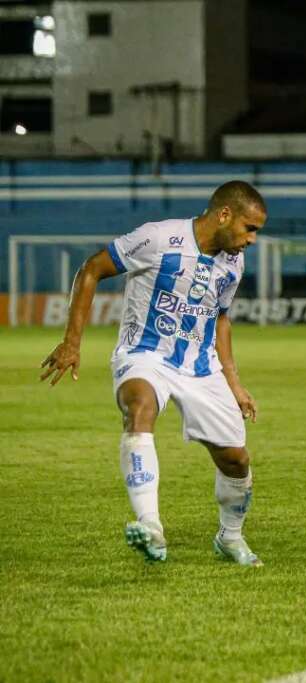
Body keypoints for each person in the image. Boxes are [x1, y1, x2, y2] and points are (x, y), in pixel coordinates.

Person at [39, 181, 267, 567]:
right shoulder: (158, 238)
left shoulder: (234, 262)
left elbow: (220, 318)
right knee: (139, 407)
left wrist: (234, 382)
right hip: (144, 354)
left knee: (236, 460)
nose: (253, 239)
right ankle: (150, 526)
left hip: (199, 366)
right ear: (224, 214)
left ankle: (230, 538)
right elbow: (92, 268)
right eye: (250, 228)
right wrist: (72, 342)